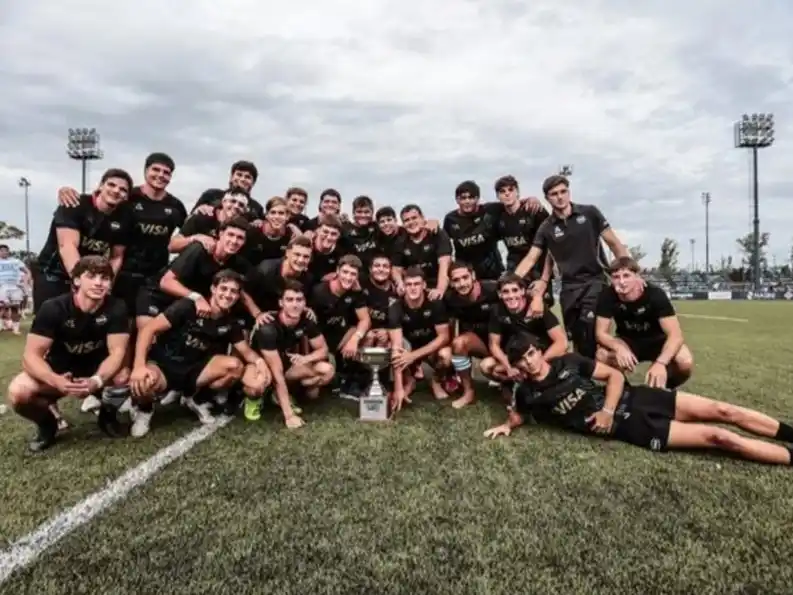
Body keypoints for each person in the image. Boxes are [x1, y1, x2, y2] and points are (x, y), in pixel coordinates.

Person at [484, 333, 793, 467]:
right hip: (631, 426)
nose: (529, 362)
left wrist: (605, 410)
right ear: (518, 366)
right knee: (719, 437)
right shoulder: (526, 392)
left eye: (530, 354)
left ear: (538, 351)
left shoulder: (569, 362)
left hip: (638, 398)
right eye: (521, 361)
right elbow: (519, 414)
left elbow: (615, 377)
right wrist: (508, 426)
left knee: (721, 409)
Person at [7, 256, 130, 452]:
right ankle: (47, 424)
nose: (98, 283)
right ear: (77, 280)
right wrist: (55, 380)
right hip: (59, 370)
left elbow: (117, 352)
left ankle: (108, 416)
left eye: (105, 278)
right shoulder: (53, 308)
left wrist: (96, 380)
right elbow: (31, 356)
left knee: (125, 376)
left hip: (96, 370)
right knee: (18, 392)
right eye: (91, 276)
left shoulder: (117, 307)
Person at [129, 270, 268, 437]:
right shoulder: (187, 306)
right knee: (143, 381)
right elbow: (148, 329)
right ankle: (144, 410)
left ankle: (195, 398)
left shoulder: (231, 322)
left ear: (238, 296)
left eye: (233, 291)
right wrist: (138, 366)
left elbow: (245, 351)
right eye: (223, 289)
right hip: (165, 366)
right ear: (213, 289)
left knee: (235, 366)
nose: (228, 295)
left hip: (195, 372)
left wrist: (261, 363)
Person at [514, 175, 628, 358]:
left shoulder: (590, 213)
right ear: (547, 198)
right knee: (576, 337)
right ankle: (584, 378)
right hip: (569, 287)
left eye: (563, 191)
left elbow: (614, 243)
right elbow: (531, 258)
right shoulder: (546, 228)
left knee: (590, 328)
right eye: (554, 194)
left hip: (595, 281)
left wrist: (629, 270)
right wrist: (512, 280)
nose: (560, 197)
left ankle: (609, 378)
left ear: (569, 192)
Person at [35, 168, 135, 312]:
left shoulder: (124, 218)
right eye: (111, 185)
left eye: (123, 189)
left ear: (126, 196)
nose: (116, 191)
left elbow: (116, 256)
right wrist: (82, 282)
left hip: (88, 277)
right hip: (54, 274)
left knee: (82, 327)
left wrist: (105, 284)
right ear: (101, 186)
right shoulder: (76, 204)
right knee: (49, 324)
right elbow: (67, 246)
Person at [595, 257, 693, 388]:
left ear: (637, 276)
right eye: (616, 277)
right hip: (628, 340)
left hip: (658, 340)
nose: (622, 282)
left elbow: (676, 335)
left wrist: (661, 363)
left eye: (626, 276)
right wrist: (618, 347)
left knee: (685, 360)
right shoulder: (607, 295)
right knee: (602, 356)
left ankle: (665, 388)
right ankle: (624, 391)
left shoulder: (655, 294)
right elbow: (600, 333)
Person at [247, 279, 334, 427]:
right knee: (257, 386)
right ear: (281, 303)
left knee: (327, 370)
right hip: (261, 367)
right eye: (290, 300)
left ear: (304, 302)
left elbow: (323, 349)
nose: (295, 304)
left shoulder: (306, 320)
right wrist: (289, 416)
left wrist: (306, 358)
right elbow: (277, 373)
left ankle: (280, 394)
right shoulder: (268, 328)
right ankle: (254, 399)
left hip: (285, 363)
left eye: (299, 300)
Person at [480, 274, 567, 385]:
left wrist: (539, 362)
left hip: (542, 355)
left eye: (515, 290)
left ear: (522, 291)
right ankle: (512, 384)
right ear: (499, 294)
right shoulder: (497, 311)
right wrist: (508, 367)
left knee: (561, 358)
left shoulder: (536, 307)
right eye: (505, 292)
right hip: (518, 358)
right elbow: (494, 345)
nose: (511, 296)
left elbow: (562, 342)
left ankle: (536, 382)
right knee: (486, 365)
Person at [309, 255, 371, 399]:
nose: (348, 277)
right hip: (319, 342)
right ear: (337, 271)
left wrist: (355, 339)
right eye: (345, 272)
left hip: (340, 337)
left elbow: (365, 319)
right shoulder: (319, 292)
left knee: (366, 336)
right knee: (312, 395)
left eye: (353, 274)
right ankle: (335, 377)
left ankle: (352, 381)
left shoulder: (355, 292)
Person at [443, 262, 500, 408]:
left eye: (465, 277)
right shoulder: (450, 299)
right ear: (450, 282)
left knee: (489, 368)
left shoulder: (494, 289)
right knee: (459, 343)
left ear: (473, 276)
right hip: (481, 344)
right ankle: (468, 392)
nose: (462, 284)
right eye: (456, 280)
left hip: (504, 343)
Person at [393, 267, 452, 402]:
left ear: (424, 285)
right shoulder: (396, 306)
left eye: (417, 284)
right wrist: (398, 389)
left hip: (431, 349)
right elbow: (396, 345)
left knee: (446, 355)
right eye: (409, 284)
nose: (413, 288)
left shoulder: (435, 303)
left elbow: (444, 337)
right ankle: (409, 380)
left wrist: (413, 356)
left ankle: (435, 381)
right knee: (398, 346)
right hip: (408, 348)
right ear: (404, 286)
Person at [392, 204, 453, 300]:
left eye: (414, 218)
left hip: (436, 282)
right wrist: (399, 283)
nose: (411, 222)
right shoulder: (400, 241)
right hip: (414, 286)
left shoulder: (437, 235)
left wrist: (440, 290)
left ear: (422, 218)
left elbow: (444, 265)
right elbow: (396, 269)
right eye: (406, 220)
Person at [0, 244, 30, 335]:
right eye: (2, 250)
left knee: (15, 308)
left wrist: (25, 281)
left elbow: (27, 272)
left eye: (6, 250)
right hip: (2, 286)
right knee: (1, 306)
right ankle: (2, 324)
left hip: (15, 287)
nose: (4, 252)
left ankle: (15, 329)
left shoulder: (16, 261)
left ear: (8, 251)